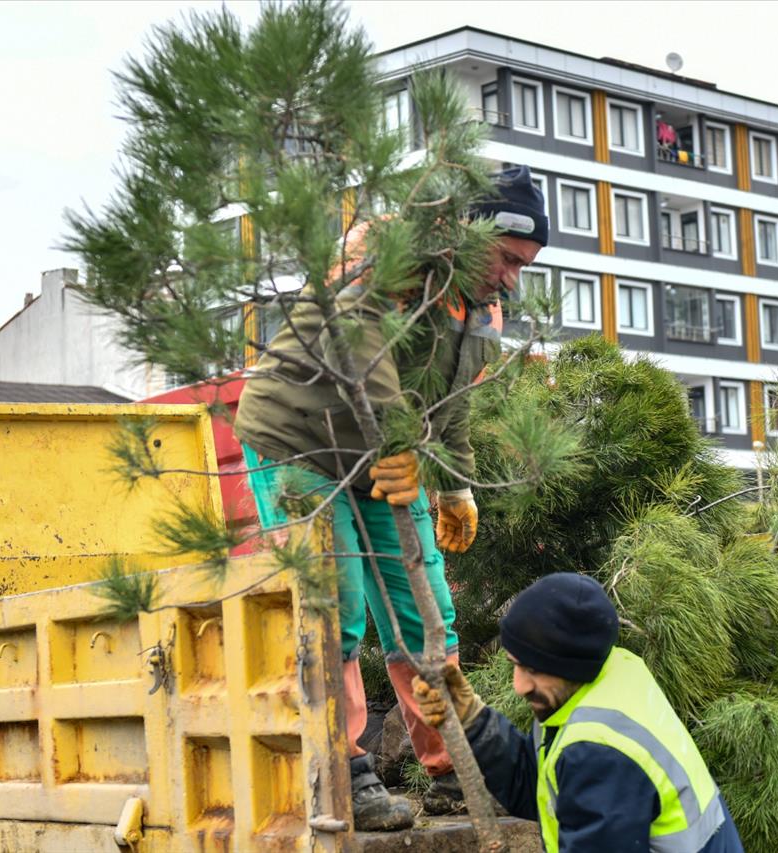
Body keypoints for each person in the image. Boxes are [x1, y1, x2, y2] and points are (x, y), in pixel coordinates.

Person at [233, 166, 548, 831]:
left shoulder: (482, 308)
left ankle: (449, 765)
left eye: (526, 266)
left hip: (383, 449)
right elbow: (358, 338)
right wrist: (398, 438)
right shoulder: (390, 253)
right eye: (509, 258)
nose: (514, 277)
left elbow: (455, 399)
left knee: (423, 604)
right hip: (300, 437)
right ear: (471, 233)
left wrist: (455, 481)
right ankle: (341, 765)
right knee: (335, 602)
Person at [412, 573, 744, 852]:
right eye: (515, 665)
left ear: (567, 665)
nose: (519, 685)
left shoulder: (599, 751)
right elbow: (541, 788)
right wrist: (474, 721)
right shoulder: (605, 676)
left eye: (532, 669)